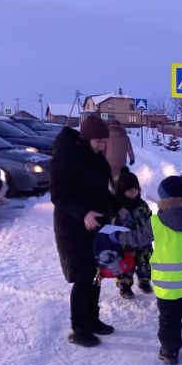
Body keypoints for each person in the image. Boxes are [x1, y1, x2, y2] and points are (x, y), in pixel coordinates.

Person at [113, 175, 182, 365]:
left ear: (165, 199)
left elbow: (137, 238)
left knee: (169, 319)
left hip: (168, 284)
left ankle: (170, 352)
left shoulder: (157, 222)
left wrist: (120, 237)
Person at [51, 115, 121, 347]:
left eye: (104, 141)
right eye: (99, 141)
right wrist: (84, 213)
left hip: (95, 226)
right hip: (73, 227)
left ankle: (93, 319)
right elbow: (59, 196)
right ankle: (79, 327)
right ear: (87, 138)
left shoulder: (96, 158)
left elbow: (101, 191)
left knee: (95, 274)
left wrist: (118, 206)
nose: (103, 146)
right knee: (83, 276)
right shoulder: (66, 158)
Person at [112, 166, 153, 299]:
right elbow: (111, 225)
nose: (133, 192)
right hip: (125, 244)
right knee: (125, 267)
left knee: (144, 262)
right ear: (121, 190)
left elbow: (150, 218)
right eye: (129, 190)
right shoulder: (117, 207)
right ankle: (125, 287)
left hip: (143, 242)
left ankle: (144, 281)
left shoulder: (142, 204)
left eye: (135, 189)